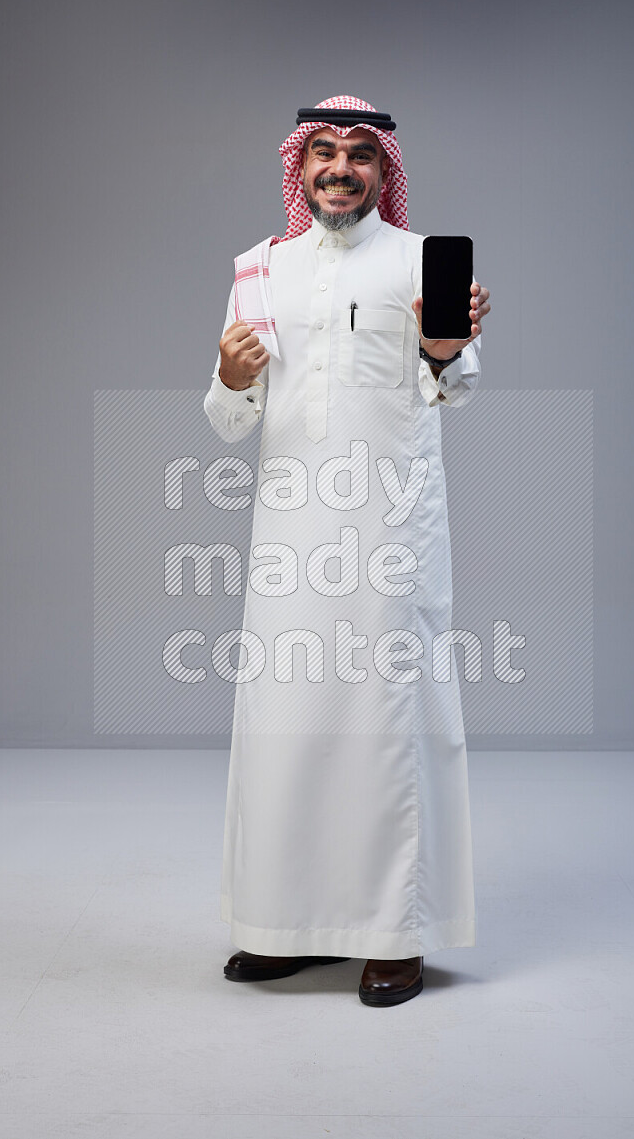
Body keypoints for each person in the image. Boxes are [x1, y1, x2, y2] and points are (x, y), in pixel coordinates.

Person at [203, 95, 490, 1007]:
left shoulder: (418, 262)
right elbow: (227, 418)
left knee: (383, 730)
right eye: (323, 151)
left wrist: (446, 348)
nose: (340, 168)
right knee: (288, 727)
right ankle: (283, 927)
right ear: (301, 166)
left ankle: (393, 936)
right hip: (289, 540)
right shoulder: (260, 267)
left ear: (383, 170)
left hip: (389, 540)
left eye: (360, 155)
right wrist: (231, 376)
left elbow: (456, 389)